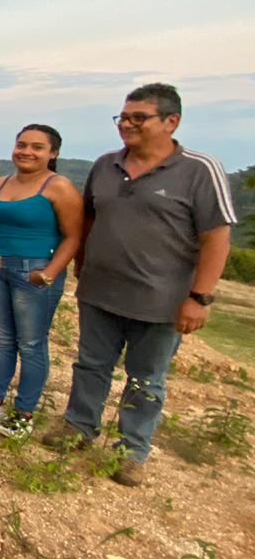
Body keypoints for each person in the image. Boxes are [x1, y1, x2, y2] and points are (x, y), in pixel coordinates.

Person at [41, 84, 235, 485]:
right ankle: (79, 427)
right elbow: (89, 218)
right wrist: (81, 262)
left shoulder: (199, 170)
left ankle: (131, 451)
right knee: (91, 365)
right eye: (123, 118)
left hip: (161, 299)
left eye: (137, 118)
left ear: (171, 121)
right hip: (99, 291)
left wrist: (200, 297)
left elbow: (216, 236)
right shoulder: (105, 165)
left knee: (146, 377)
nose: (127, 125)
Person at [0, 125, 82, 439]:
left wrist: (51, 272)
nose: (26, 151)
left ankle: (25, 412)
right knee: (3, 339)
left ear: (53, 153)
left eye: (37, 147)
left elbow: (73, 236)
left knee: (31, 344)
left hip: (35, 273)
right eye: (21, 144)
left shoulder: (59, 188)